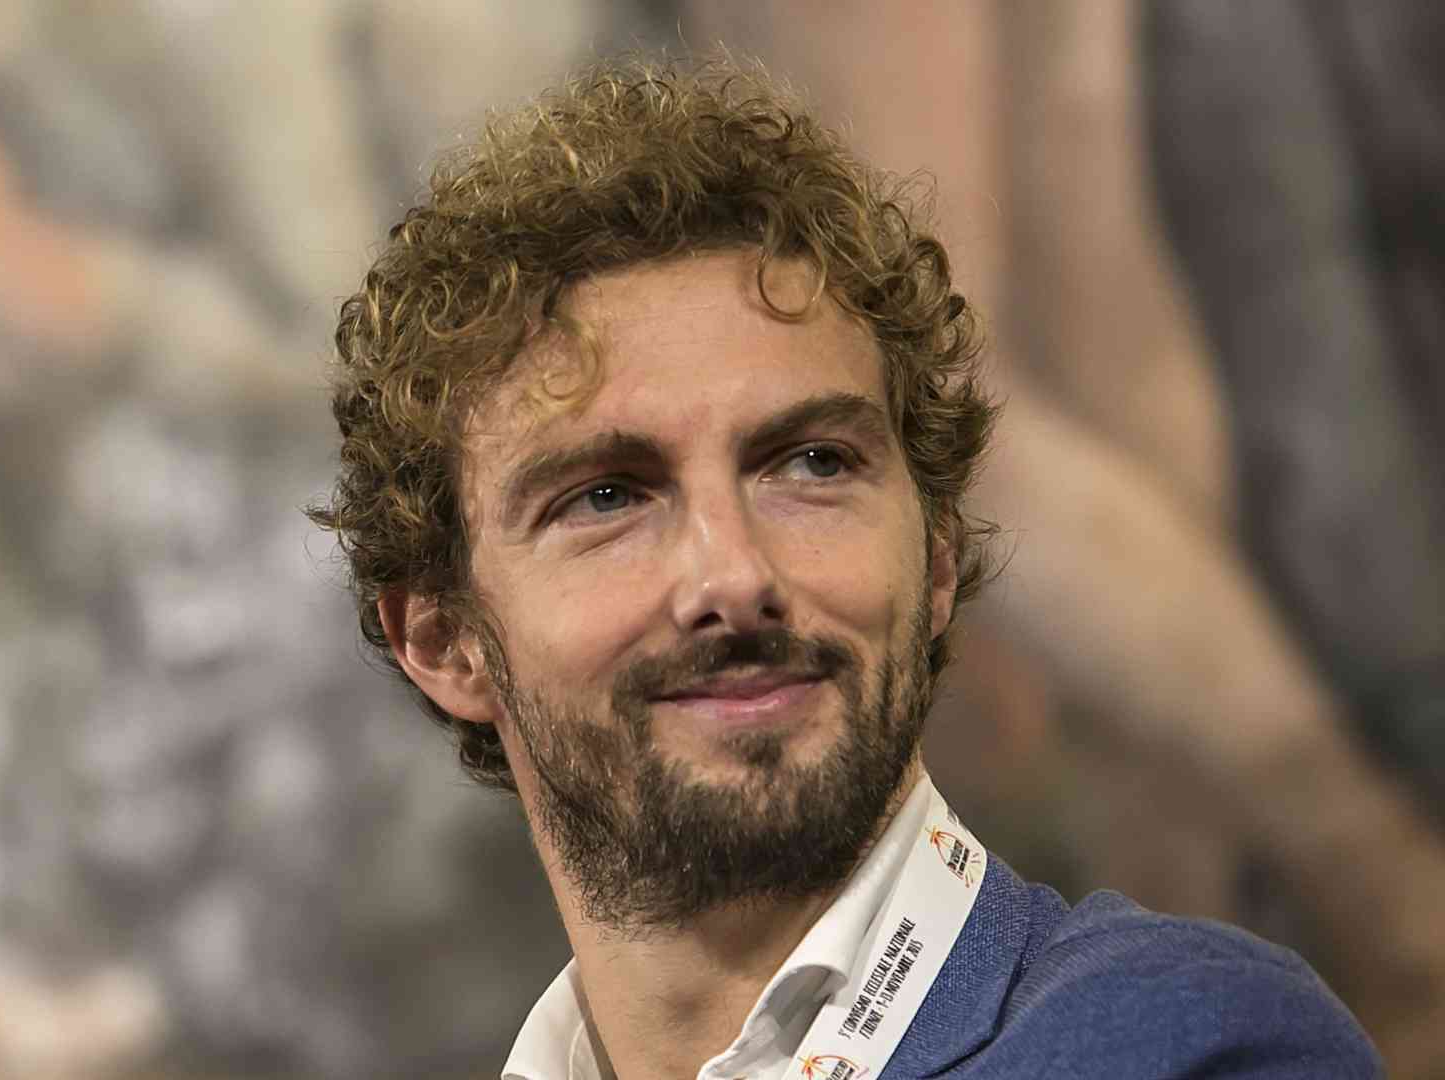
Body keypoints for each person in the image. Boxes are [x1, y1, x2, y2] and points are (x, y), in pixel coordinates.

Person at [307, 54, 1381, 1080]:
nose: (734, 577)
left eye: (812, 464)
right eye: (607, 497)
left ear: (940, 557)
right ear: (445, 643)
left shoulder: (1186, 1046)